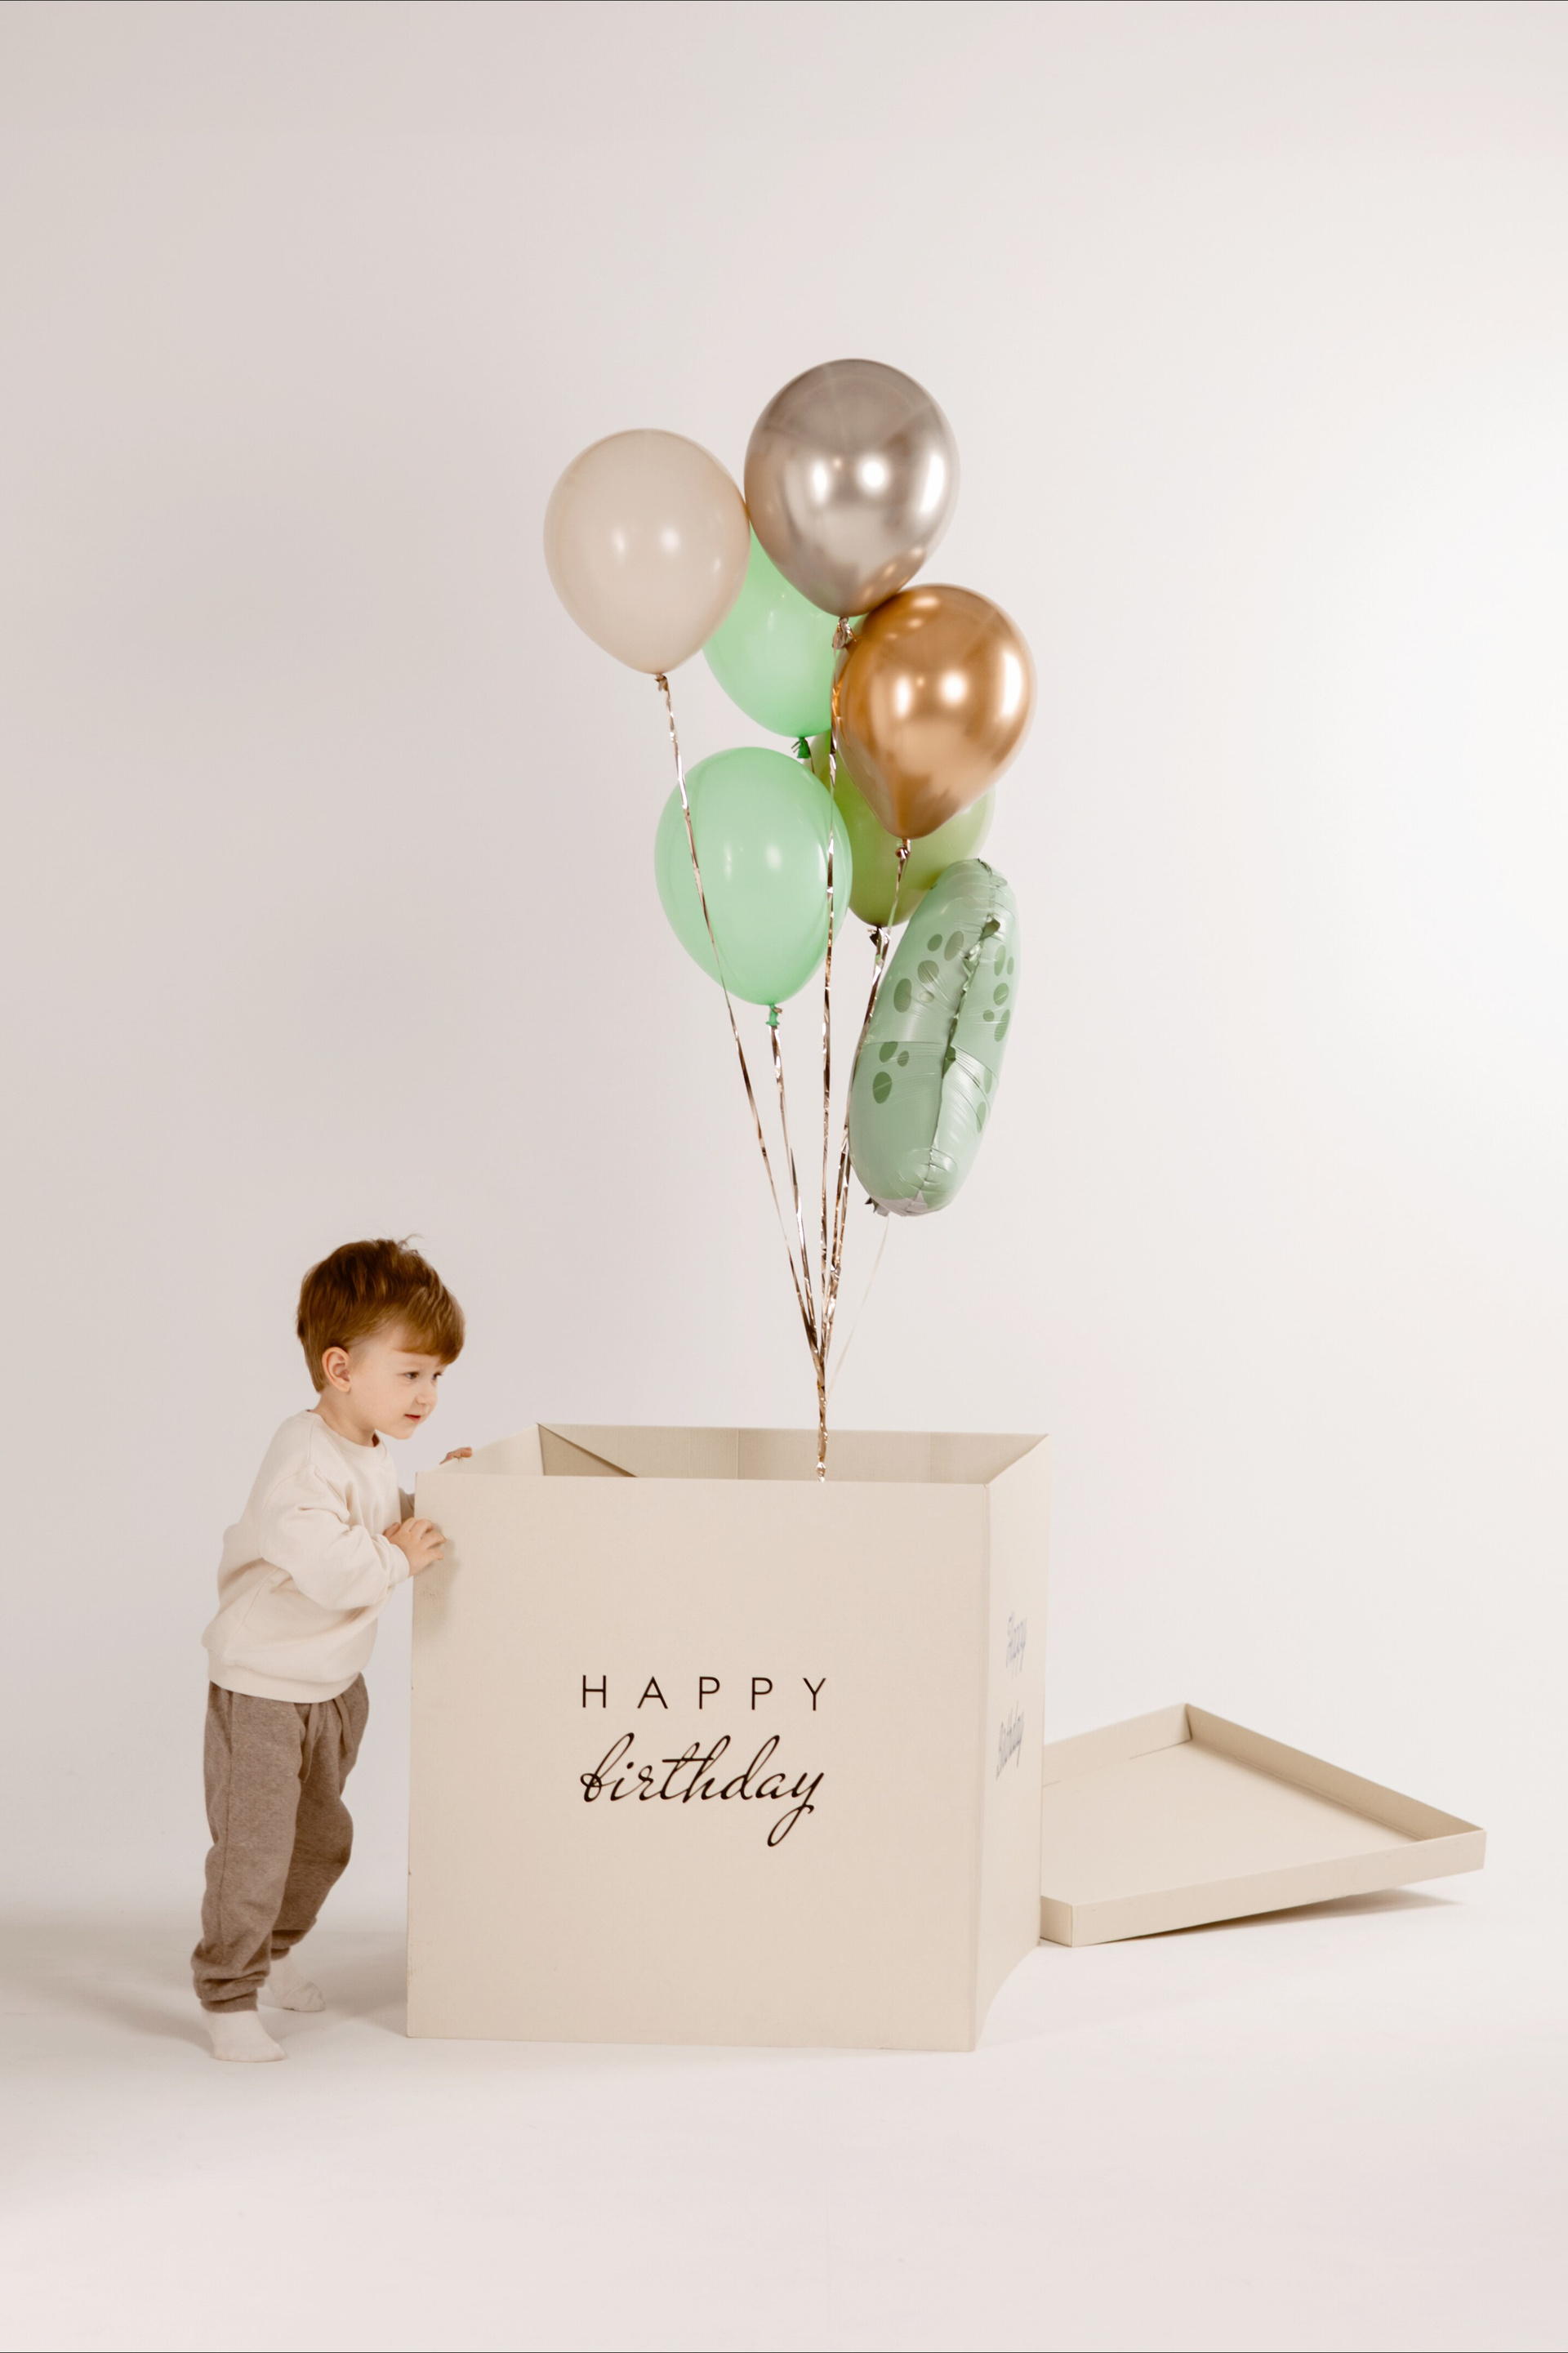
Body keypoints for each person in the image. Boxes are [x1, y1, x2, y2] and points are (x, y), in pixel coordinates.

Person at [192, 1237, 470, 2061]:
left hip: (332, 1686)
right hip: (265, 1686)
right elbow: (333, 1565)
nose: (427, 1394)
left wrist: (439, 1496)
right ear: (340, 1368)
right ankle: (227, 1991)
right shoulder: (302, 1457)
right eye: (411, 1373)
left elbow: (379, 1527)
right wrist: (397, 1556)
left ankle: (274, 1951)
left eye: (436, 1376)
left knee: (321, 1842)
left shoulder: (370, 1448)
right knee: (253, 1852)